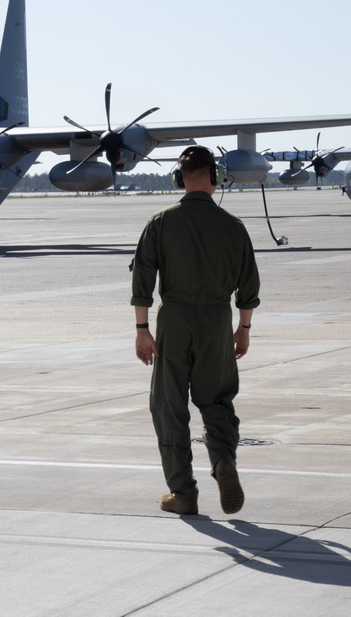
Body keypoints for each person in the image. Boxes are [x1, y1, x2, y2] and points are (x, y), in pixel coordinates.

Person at [130, 146, 261, 516]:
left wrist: (142, 330)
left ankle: (183, 492)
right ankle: (223, 461)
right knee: (217, 400)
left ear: (179, 178)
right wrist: (243, 329)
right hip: (218, 321)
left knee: (169, 405)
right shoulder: (233, 227)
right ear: (214, 178)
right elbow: (249, 289)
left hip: (175, 319)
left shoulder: (161, 222)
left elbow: (142, 280)